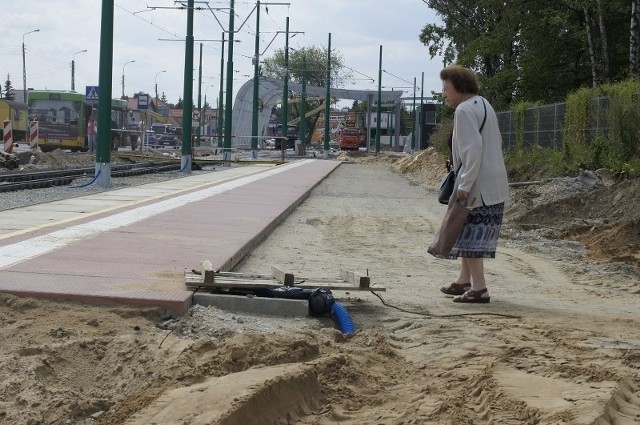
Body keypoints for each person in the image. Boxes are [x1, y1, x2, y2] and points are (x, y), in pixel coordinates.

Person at [433, 65, 509, 303]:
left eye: (447, 88)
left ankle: (480, 289)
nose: (444, 93)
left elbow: (472, 151)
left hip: (476, 185)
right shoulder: (483, 103)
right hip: (493, 182)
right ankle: (464, 280)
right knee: (465, 232)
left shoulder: (464, 110)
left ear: (460, 88)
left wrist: (464, 186)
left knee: (470, 235)